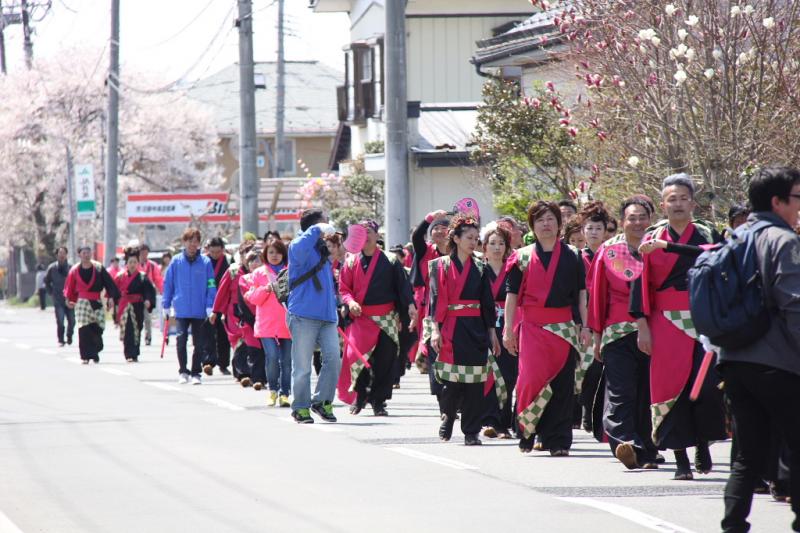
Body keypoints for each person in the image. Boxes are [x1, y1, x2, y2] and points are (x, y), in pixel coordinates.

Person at [717, 167, 800, 533]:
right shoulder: (783, 241)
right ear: (777, 201)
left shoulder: (735, 239)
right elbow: (794, 303)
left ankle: (733, 524)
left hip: (734, 358)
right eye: (796, 198)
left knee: (747, 452)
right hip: (777, 360)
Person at [631, 173, 727, 480]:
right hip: (664, 321)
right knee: (670, 388)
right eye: (672, 199)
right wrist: (642, 326)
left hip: (703, 319)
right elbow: (641, 285)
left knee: (706, 387)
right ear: (663, 204)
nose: (678, 204)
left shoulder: (708, 232)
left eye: (683, 198)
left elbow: (720, 263)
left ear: (693, 202)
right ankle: (681, 459)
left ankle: (702, 443)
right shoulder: (651, 238)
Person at [503, 201, 591, 456]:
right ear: (532, 225)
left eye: (550, 218)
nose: (546, 224)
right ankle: (527, 431)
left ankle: (558, 440)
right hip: (531, 327)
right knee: (531, 380)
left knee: (563, 385)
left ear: (559, 223)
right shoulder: (521, 257)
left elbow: (581, 296)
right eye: (540, 219)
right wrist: (508, 329)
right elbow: (511, 296)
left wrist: (585, 326)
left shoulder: (574, 255)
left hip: (564, 327)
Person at [587, 196, 660, 470]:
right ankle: (625, 443)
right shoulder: (610, 250)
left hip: (654, 331)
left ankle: (648, 448)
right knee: (621, 391)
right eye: (632, 217)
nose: (638, 222)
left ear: (650, 219)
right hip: (617, 331)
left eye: (643, 217)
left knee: (647, 391)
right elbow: (597, 297)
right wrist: (596, 337)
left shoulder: (657, 248)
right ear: (622, 221)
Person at [428, 215, 499, 445]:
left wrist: (492, 332)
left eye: (475, 238)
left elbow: (487, 302)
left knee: (475, 383)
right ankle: (448, 414)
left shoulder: (480, 266)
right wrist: (435, 330)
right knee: (451, 381)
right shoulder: (439, 266)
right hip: (451, 327)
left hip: (476, 328)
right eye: (468, 237)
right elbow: (435, 300)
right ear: (456, 238)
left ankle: (471, 431)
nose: (473, 242)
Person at [337, 220, 416, 416]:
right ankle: (360, 397)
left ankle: (379, 401)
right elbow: (344, 288)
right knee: (357, 358)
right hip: (360, 317)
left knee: (385, 361)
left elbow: (403, 288)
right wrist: (350, 302)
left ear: (377, 235)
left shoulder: (390, 260)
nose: (366, 235)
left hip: (386, 318)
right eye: (362, 232)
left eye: (370, 231)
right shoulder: (350, 261)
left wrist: (408, 309)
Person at [286, 209, 342, 424]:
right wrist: (315, 229)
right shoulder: (299, 244)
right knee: (302, 366)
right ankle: (300, 407)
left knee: (333, 360)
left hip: (327, 315)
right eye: (324, 222)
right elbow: (298, 251)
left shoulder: (322, 248)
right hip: (302, 314)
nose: (328, 225)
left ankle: (322, 401)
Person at [162, 228, 218, 385]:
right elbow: (168, 284)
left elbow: (211, 284)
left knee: (199, 343)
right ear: (184, 242)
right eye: (189, 241)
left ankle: (196, 372)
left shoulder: (206, 262)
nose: (193, 244)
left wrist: (209, 305)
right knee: (181, 340)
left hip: (200, 309)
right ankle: (183, 371)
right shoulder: (176, 261)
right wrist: (166, 304)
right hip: (181, 308)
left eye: (195, 241)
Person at [479, 225, 517, 439]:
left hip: (509, 325)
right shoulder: (478, 269)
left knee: (508, 375)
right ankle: (489, 420)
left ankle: (504, 421)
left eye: (501, 243)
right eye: (492, 243)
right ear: (484, 247)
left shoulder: (513, 269)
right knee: (488, 375)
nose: (497, 247)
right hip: (485, 326)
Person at [246, 239, 292, 407]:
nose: (274, 256)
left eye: (278, 252)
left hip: (287, 323)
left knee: (287, 361)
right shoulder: (258, 273)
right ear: (265, 254)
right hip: (266, 324)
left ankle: (285, 393)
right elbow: (252, 298)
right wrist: (266, 289)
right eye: (271, 252)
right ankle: (273, 390)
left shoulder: (291, 272)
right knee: (272, 357)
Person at [410, 210, 449, 403]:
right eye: (436, 228)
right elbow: (417, 235)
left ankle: (453, 394)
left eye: (445, 228)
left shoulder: (458, 251)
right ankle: (441, 395)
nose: (440, 231)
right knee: (435, 349)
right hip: (429, 308)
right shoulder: (426, 251)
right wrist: (429, 218)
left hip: (454, 307)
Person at [63, 245, 120, 364]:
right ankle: (85, 356)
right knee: (84, 329)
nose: (86, 255)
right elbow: (70, 287)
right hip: (81, 303)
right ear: (80, 255)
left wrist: (110, 297)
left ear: (91, 254)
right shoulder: (74, 270)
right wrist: (69, 299)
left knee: (98, 328)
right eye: (83, 253)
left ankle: (95, 351)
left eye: (88, 253)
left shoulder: (98, 268)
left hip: (96, 301)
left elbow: (108, 283)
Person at [212, 242, 259, 386]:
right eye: (246, 254)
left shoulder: (261, 272)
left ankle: (252, 373)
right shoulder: (233, 271)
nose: (249, 259)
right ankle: (243, 373)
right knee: (239, 342)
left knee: (252, 343)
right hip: (234, 313)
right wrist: (216, 311)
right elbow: (222, 292)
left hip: (255, 313)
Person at [114, 246, 156, 362]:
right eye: (130, 262)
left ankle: (135, 352)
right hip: (124, 306)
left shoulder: (142, 277)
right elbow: (113, 291)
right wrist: (111, 300)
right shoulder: (120, 276)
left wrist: (148, 300)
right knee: (127, 329)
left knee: (137, 328)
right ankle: (128, 354)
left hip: (137, 305)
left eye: (135, 262)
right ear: (126, 263)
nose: (132, 264)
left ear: (138, 263)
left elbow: (149, 291)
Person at [204, 237, 232, 376]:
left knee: (223, 334)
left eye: (218, 252)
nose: (215, 254)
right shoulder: (203, 261)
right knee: (208, 333)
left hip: (224, 303)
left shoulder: (228, 262)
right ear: (208, 250)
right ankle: (208, 362)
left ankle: (223, 364)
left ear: (222, 250)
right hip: (208, 303)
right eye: (212, 252)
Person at [45, 246, 74, 346]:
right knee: (60, 320)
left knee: (72, 321)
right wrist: (51, 292)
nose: (62, 255)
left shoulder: (71, 268)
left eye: (64, 253)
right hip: (58, 298)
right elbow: (47, 281)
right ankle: (61, 340)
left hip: (70, 299)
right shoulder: (52, 268)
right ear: (57, 255)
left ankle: (69, 336)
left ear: (66, 255)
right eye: (60, 253)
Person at [138, 244, 163, 347]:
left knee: (147, 317)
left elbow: (158, 279)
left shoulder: (152, 266)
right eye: (142, 253)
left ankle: (148, 337)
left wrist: (162, 291)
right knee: (137, 318)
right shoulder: (134, 264)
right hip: (136, 293)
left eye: (146, 253)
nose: (144, 255)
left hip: (148, 294)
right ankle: (136, 336)